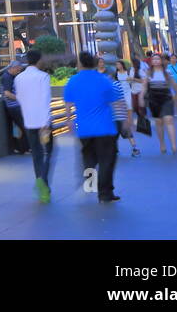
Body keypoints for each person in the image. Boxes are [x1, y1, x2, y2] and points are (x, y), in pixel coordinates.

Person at [63, 51, 127, 203]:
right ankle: (105, 193)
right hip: (105, 127)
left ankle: (90, 184)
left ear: (79, 64)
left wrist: (69, 121)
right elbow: (115, 101)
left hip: (84, 128)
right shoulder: (103, 80)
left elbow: (68, 105)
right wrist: (125, 120)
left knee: (89, 158)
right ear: (93, 63)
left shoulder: (73, 81)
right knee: (107, 160)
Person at [14, 49, 55, 202]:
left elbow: (20, 98)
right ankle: (42, 181)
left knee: (36, 154)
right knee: (48, 153)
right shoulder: (43, 77)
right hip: (43, 123)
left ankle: (40, 180)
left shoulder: (19, 78)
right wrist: (46, 122)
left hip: (29, 122)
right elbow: (46, 99)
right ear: (39, 61)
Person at [144, 52, 177, 154]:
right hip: (154, 100)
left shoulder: (167, 72)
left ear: (161, 61)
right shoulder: (148, 73)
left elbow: (175, 85)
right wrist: (140, 98)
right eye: (154, 59)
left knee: (169, 120)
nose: (156, 61)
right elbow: (144, 86)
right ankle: (162, 144)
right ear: (151, 62)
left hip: (166, 99)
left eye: (158, 59)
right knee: (159, 122)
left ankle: (173, 145)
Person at [0, 58, 30, 155]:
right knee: (24, 126)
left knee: (23, 126)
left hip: (13, 106)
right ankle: (23, 148)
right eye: (18, 69)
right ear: (13, 68)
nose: (19, 71)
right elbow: (7, 93)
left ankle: (22, 147)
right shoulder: (7, 77)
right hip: (13, 107)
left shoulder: (10, 76)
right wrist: (20, 98)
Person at [114, 60, 142, 157]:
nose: (118, 66)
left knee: (116, 132)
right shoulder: (116, 80)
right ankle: (133, 148)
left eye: (119, 64)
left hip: (126, 93)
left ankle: (134, 148)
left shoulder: (127, 73)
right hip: (119, 114)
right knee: (122, 132)